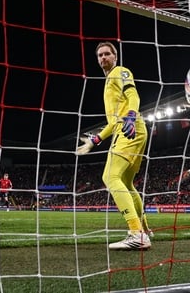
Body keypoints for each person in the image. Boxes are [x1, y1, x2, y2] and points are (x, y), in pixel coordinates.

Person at [76, 41, 151, 250]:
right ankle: (144, 229)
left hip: (130, 128)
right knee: (127, 183)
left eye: (107, 54)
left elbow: (133, 95)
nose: (103, 58)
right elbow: (112, 123)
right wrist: (94, 140)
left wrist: (131, 115)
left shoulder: (120, 71)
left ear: (115, 56)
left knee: (110, 177)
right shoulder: (108, 81)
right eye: (99, 55)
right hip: (128, 128)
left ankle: (136, 234)